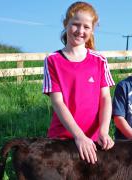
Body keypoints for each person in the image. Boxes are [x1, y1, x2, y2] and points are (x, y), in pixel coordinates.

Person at [42, 1, 115, 164]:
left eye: (86, 27)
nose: (80, 31)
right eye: (75, 24)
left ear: (93, 29)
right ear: (65, 23)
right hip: (62, 140)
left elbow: (105, 99)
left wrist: (104, 131)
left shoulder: (100, 60)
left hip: (94, 142)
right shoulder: (52, 60)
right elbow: (58, 102)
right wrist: (79, 136)